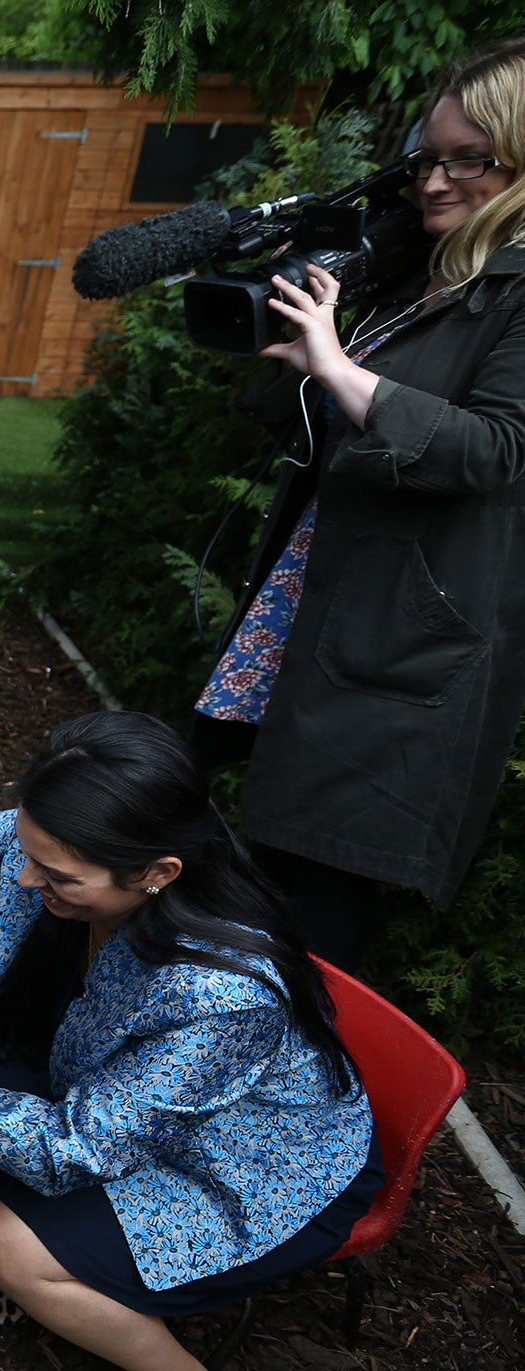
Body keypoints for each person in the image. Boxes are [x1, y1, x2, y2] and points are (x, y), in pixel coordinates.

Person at [0, 712, 381, 1371]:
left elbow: (73, 1150)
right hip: (110, 1095)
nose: (22, 878)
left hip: (248, 1169)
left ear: (158, 872)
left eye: (56, 876)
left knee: (8, 1245)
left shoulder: (222, 993)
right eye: (26, 850)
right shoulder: (63, 843)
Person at [196, 36, 525, 966]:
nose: (436, 181)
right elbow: (333, 425)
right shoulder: (436, 272)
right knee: (266, 873)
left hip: (403, 638)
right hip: (323, 604)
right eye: (432, 156)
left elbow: (498, 449)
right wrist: (305, 362)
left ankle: (321, 1106)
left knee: (320, 903)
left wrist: (342, 370)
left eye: (475, 161)